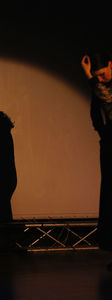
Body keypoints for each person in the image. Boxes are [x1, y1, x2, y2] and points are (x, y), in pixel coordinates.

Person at [81, 51, 112, 252]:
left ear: (111, 65)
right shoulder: (100, 90)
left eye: (103, 74)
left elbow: (106, 97)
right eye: (97, 75)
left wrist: (91, 78)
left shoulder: (102, 89)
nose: (101, 78)